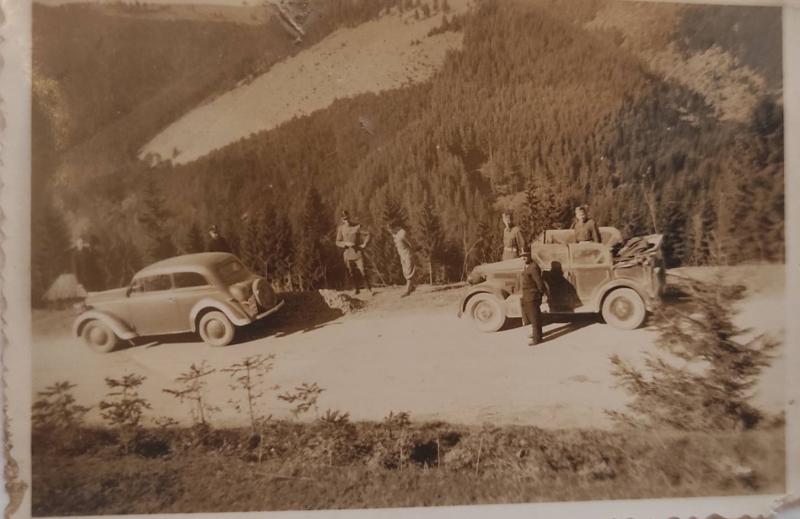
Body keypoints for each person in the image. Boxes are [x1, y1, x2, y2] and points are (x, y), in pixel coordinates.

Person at [335, 210, 373, 295]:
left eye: (348, 218)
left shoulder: (357, 226)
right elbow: (337, 242)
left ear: (350, 217)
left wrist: (365, 244)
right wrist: (345, 243)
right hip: (347, 253)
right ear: (342, 220)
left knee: (363, 270)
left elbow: (368, 234)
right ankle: (356, 289)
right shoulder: (341, 228)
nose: (347, 220)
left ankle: (368, 289)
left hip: (358, 253)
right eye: (345, 219)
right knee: (350, 272)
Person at [520, 250, 547, 346]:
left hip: (532, 295)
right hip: (527, 295)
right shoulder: (527, 266)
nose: (523, 258)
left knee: (535, 317)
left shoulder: (533, 267)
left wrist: (540, 295)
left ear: (529, 256)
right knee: (532, 316)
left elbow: (539, 283)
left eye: (525, 255)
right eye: (522, 256)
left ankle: (537, 339)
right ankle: (537, 334)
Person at [387, 221, 417, 297]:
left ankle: (407, 290)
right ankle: (412, 287)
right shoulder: (394, 233)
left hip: (407, 254)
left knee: (409, 270)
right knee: (406, 271)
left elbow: (410, 243)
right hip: (402, 254)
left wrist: (415, 248)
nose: (389, 231)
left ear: (393, 227)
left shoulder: (402, 233)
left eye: (390, 229)